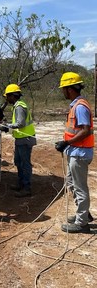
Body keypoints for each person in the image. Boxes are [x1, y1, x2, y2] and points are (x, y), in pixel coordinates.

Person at [55, 72, 94, 233]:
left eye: (64, 88)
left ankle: (82, 223)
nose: (63, 91)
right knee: (71, 183)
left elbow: (85, 131)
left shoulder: (80, 107)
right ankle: (84, 214)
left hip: (80, 153)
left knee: (80, 187)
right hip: (75, 151)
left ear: (70, 89)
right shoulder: (76, 105)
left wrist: (66, 142)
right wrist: (66, 143)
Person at [1, 84, 36, 198]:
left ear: (12, 96)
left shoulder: (19, 106)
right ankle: (21, 184)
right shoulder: (17, 106)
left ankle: (27, 188)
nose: (6, 99)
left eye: (7, 96)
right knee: (18, 162)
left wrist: (7, 126)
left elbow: (20, 124)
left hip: (25, 139)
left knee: (25, 164)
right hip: (22, 139)